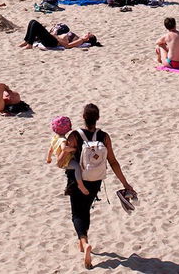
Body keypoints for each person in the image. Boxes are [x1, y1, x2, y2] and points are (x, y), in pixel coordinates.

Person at [57, 103, 135, 270]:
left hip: (76, 179)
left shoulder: (74, 136)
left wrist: (63, 152)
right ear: (97, 118)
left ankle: (84, 242)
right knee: (85, 209)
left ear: (83, 117)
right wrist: (125, 183)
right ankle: (82, 240)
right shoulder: (104, 136)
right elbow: (113, 162)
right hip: (95, 179)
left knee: (76, 213)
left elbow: (60, 162)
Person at [20, 20, 96, 49]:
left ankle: (29, 44)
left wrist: (56, 36)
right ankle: (27, 41)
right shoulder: (79, 39)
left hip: (53, 42)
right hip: (53, 38)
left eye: (89, 34)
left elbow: (67, 45)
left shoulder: (81, 40)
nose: (87, 33)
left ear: (88, 39)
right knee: (32, 22)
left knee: (35, 24)